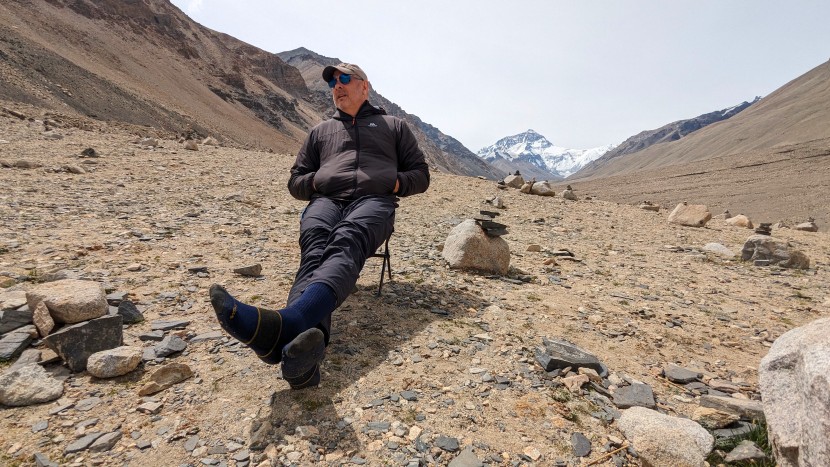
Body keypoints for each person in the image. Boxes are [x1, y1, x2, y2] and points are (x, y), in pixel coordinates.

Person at [209, 62, 430, 389]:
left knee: (346, 240)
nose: (337, 86)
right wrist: (319, 181)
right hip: (326, 200)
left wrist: (393, 182)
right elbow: (295, 181)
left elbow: (421, 175)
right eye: (332, 82)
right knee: (314, 247)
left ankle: (287, 325)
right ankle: (301, 366)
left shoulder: (393, 126)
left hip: (374, 201)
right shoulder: (320, 131)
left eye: (344, 79)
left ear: (364, 87)